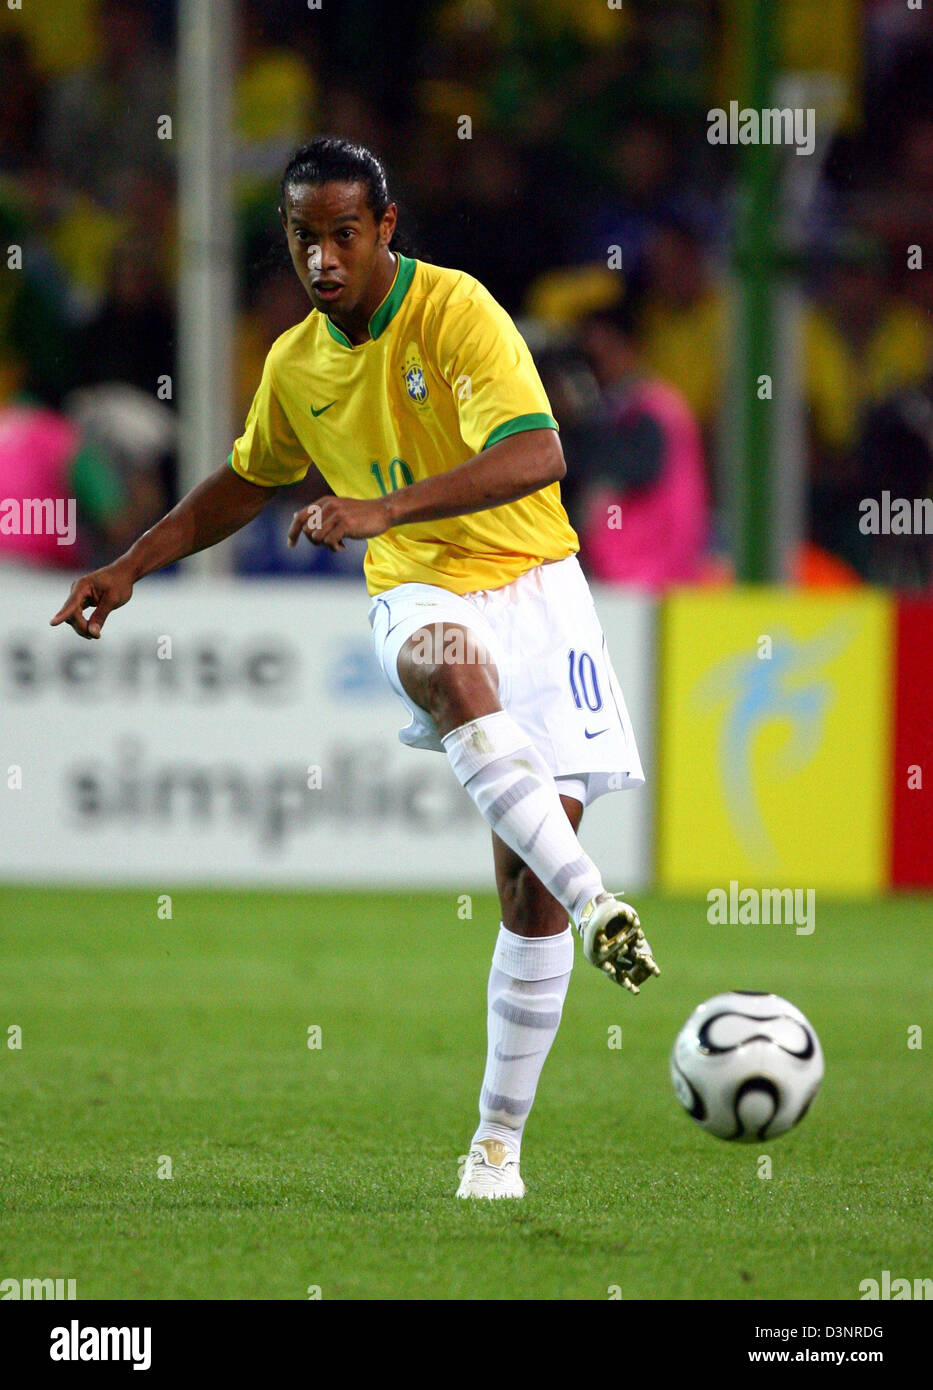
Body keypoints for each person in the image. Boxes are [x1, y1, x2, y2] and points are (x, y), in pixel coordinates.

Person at [51, 137, 659, 1200]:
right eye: (302, 238)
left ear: (385, 228)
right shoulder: (296, 364)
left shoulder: (457, 310)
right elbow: (241, 484)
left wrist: (379, 505)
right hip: (419, 588)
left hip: (540, 587)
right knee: (446, 667)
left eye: (342, 233)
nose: (322, 258)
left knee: (525, 896)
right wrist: (132, 561)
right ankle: (600, 898)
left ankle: (496, 1146)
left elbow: (540, 454)